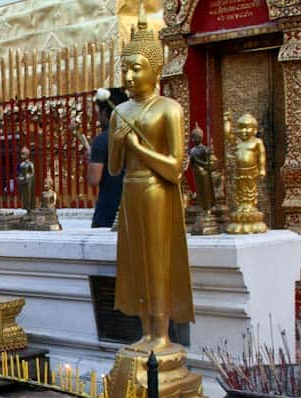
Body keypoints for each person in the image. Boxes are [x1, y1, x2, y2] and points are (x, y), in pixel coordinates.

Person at [108, 11, 194, 351]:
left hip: (158, 191)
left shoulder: (168, 109)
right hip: (130, 190)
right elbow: (114, 168)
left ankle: (162, 333)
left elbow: (174, 168)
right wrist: (118, 143)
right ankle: (144, 331)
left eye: (136, 68)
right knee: (135, 262)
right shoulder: (120, 112)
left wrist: (137, 148)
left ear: (156, 69)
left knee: (157, 261)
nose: (128, 76)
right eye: (125, 68)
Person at [88, 88, 127, 228]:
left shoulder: (102, 140)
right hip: (137, 204)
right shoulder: (137, 135)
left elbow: (94, 179)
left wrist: (91, 159)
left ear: (105, 112)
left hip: (109, 208)